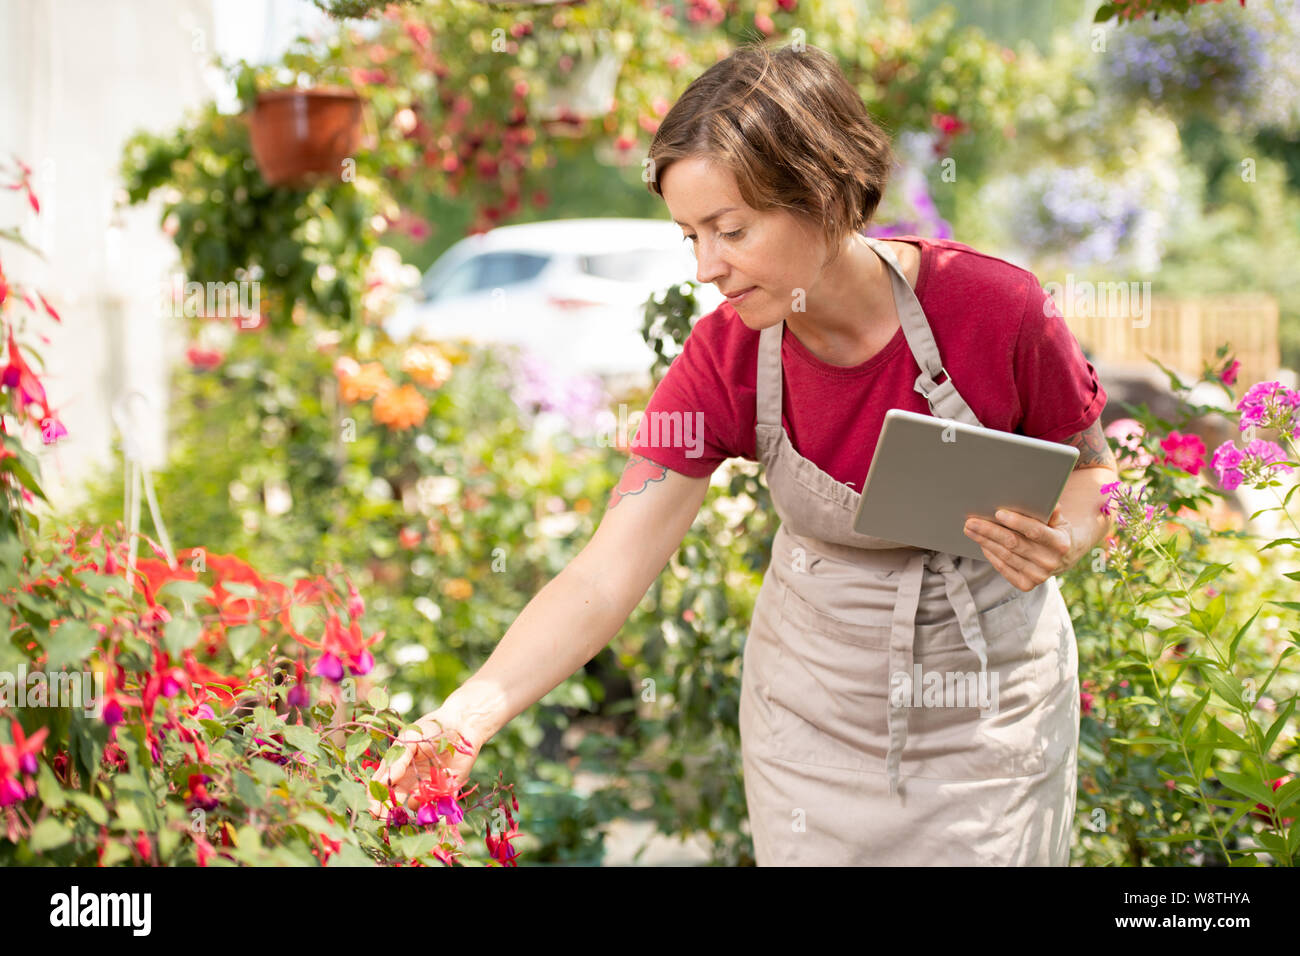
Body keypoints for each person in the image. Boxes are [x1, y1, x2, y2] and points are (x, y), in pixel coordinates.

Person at [369, 41, 1119, 865]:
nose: (705, 267)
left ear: (825, 192)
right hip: (813, 725)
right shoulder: (726, 358)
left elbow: (1092, 477)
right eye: (690, 235)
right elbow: (604, 572)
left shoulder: (995, 310)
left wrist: (1068, 538)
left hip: (986, 722)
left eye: (731, 230)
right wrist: (464, 718)